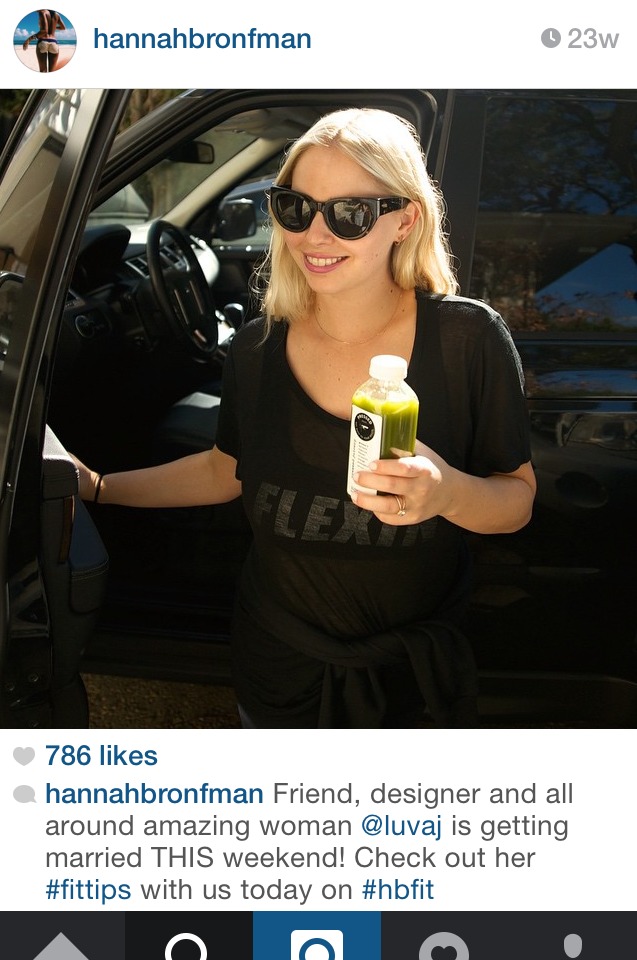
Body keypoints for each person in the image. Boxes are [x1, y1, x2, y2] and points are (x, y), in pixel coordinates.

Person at [74, 108, 536, 729]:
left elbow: (515, 501)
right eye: (296, 208)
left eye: (349, 214)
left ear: (405, 219)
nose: (316, 235)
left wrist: (448, 493)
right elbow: (224, 470)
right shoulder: (258, 347)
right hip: (277, 667)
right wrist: (101, 487)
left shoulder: (467, 340)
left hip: (407, 680)